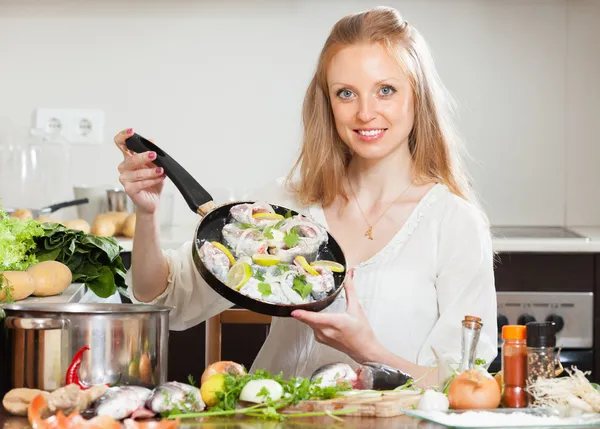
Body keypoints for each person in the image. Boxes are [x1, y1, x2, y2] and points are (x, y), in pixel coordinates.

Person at [114, 6, 497, 387]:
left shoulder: (454, 224)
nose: (365, 112)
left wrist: (370, 352)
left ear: (418, 97)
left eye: (386, 90)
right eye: (346, 93)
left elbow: (465, 387)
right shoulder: (282, 206)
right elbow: (166, 300)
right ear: (327, 104)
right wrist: (146, 215)